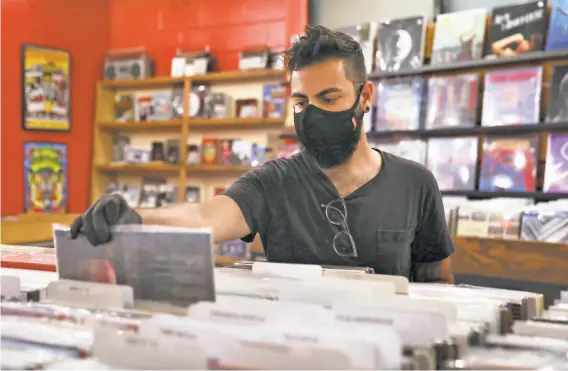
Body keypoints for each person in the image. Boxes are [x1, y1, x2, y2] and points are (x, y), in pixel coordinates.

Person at [71, 25, 454, 283]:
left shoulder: (415, 183)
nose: (313, 113)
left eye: (329, 97)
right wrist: (134, 218)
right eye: (301, 101)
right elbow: (207, 216)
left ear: (365, 96)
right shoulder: (273, 182)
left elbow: (438, 285)